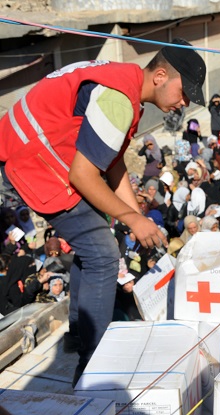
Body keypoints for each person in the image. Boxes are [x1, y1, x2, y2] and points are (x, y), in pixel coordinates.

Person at [0, 38, 205, 386]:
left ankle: (79, 336)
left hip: (36, 154)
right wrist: (132, 218)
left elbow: (112, 163)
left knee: (97, 243)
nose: (183, 103)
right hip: (31, 161)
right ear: (159, 76)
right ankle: (91, 365)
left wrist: (133, 215)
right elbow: (82, 174)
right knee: (102, 252)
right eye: (184, 93)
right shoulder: (119, 100)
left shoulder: (124, 84)